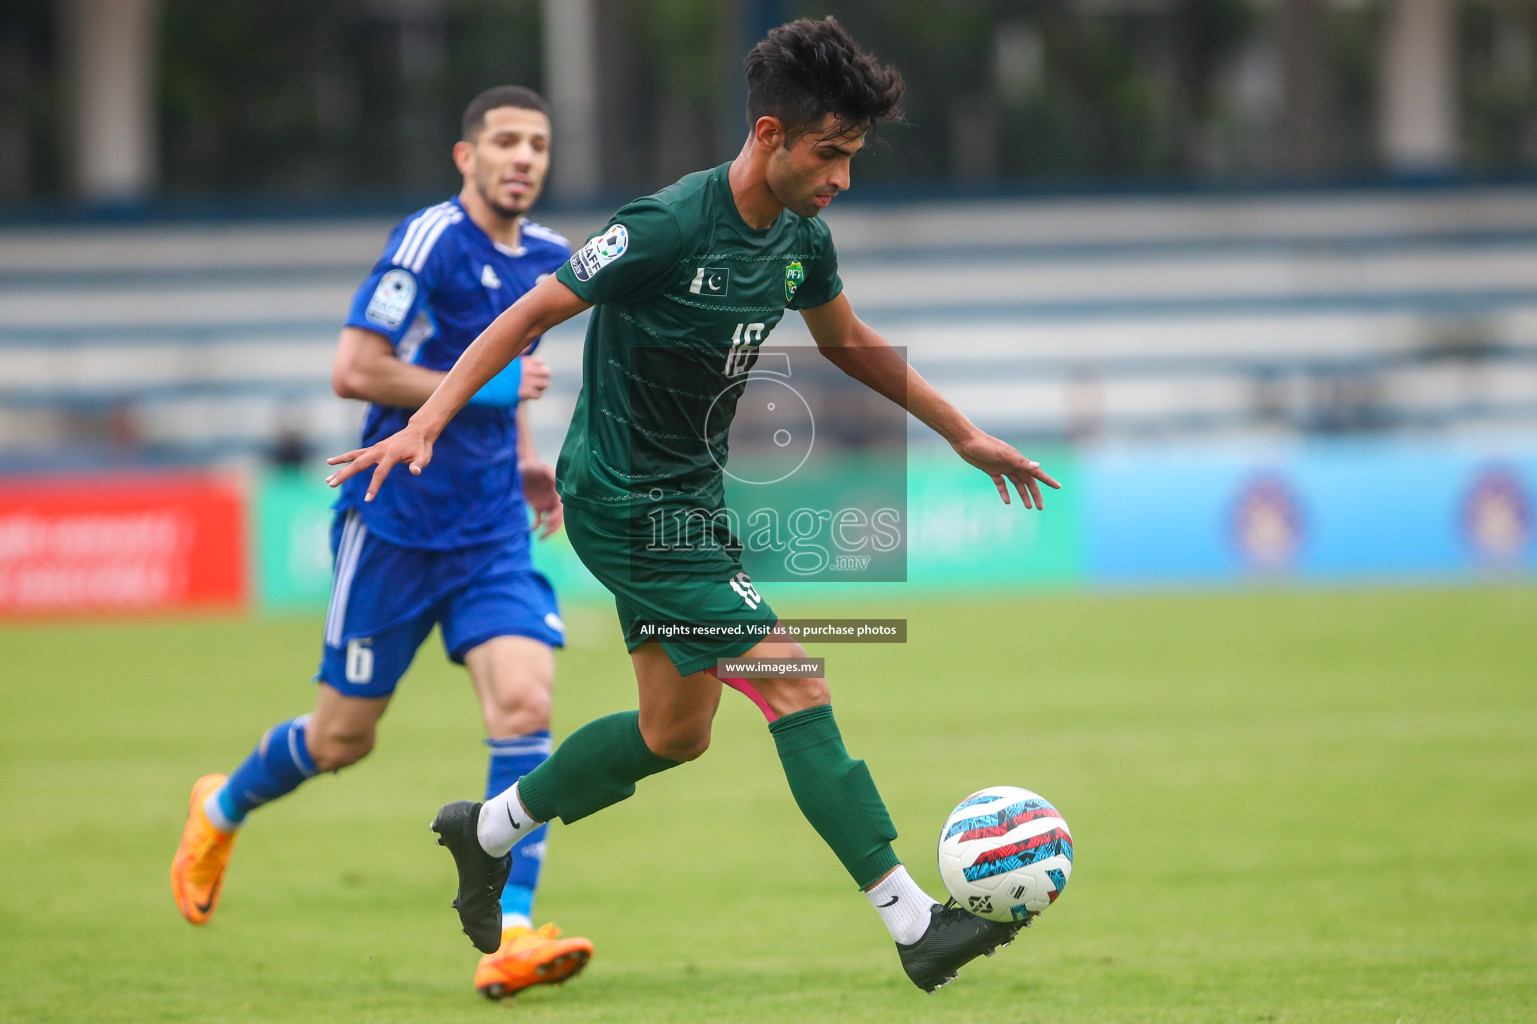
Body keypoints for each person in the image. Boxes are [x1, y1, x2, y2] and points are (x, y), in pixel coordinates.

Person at [326, 20, 1061, 993]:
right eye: (829, 154)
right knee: (795, 679)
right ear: (769, 135)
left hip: (692, 502)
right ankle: (914, 920)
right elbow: (531, 311)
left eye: (852, 156)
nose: (841, 176)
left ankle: (487, 828)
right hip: (622, 499)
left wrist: (960, 430)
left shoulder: (801, 237)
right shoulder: (669, 224)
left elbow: (846, 342)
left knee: (676, 732)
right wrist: (428, 419)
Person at [170, 85, 593, 1000]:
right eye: (507, 142)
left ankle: (509, 935)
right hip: (393, 524)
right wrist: (484, 396)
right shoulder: (431, 240)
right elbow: (353, 369)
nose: (523, 158)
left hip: (488, 531)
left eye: (538, 146)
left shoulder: (555, 258)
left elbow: (513, 385)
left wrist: (523, 457)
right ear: (465, 156)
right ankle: (221, 806)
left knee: (524, 703)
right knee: (340, 740)